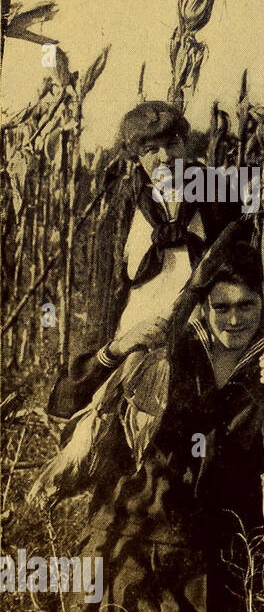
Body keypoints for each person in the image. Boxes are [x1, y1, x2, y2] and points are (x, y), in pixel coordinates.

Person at [44, 244, 264, 612]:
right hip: (149, 509)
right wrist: (116, 349)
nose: (233, 319)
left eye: (246, 305)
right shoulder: (171, 350)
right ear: (203, 307)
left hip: (223, 526)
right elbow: (65, 400)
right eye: (220, 306)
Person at [50, 101, 241, 417]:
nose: (165, 157)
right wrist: (117, 343)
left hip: (203, 333)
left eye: (172, 144)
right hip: (139, 331)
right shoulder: (123, 202)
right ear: (135, 156)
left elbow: (239, 265)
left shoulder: (216, 190)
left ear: (185, 141)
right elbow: (109, 288)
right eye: (151, 149)